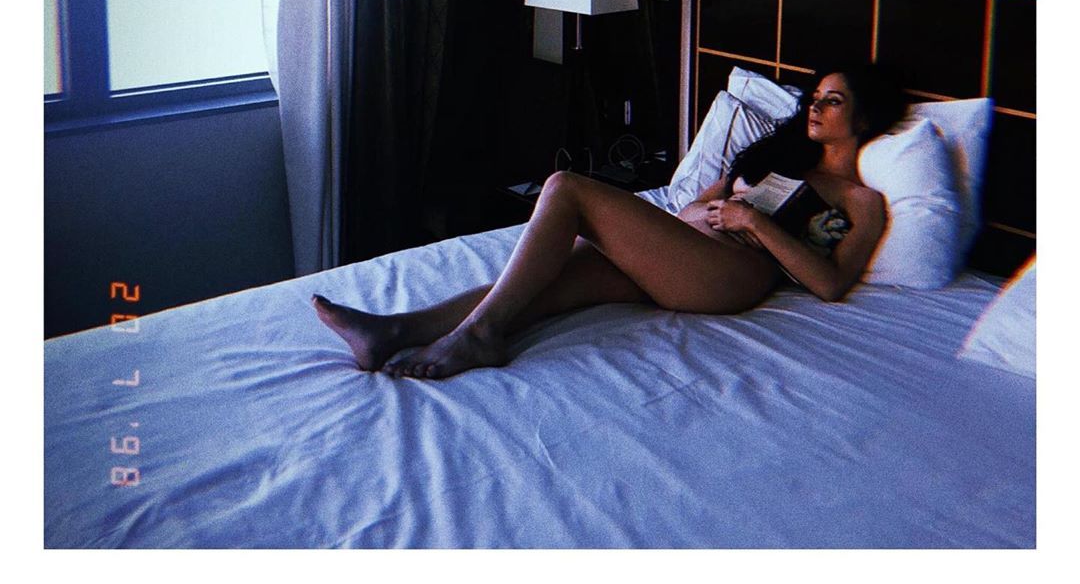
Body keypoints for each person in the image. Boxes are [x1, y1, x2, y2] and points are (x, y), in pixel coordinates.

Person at [313, 64, 907, 380]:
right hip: (686, 254)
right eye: (814, 96)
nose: (814, 106)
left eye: (832, 100)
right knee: (543, 282)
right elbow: (699, 202)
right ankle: (394, 331)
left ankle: (477, 336)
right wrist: (692, 216)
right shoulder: (776, 157)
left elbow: (831, 284)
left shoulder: (860, 200)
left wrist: (752, 221)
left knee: (565, 187)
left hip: (733, 276)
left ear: (864, 118)